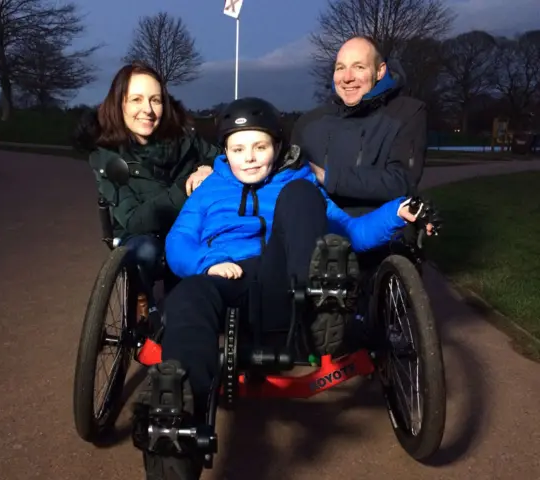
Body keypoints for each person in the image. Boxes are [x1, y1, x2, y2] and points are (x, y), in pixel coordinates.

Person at [132, 97, 434, 479]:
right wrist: (207, 264)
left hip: (281, 282)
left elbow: (353, 232)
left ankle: (320, 306)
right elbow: (179, 243)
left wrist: (397, 213)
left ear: (277, 147)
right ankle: (178, 407)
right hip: (222, 278)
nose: (251, 158)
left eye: (260, 147)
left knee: (303, 195)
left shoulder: (296, 180)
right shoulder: (210, 189)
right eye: (239, 149)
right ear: (225, 151)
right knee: (187, 297)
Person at [72, 61, 221, 320]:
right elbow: (134, 219)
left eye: (155, 100)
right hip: (142, 235)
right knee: (147, 252)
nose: (148, 110)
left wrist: (207, 167)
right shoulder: (106, 155)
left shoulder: (185, 139)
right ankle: (146, 297)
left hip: (190, 229)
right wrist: (184, 190)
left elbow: (227, 159)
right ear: (120, 104)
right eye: (136, 100)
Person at [290, 35, 427, 217]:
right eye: (340, 68)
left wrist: (328, 177)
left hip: (381, 237)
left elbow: (401, 182)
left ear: (379, 71)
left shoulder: (408, 113)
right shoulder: (309, 122)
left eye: (359, 67)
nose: (347, 78)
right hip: (316, 235)